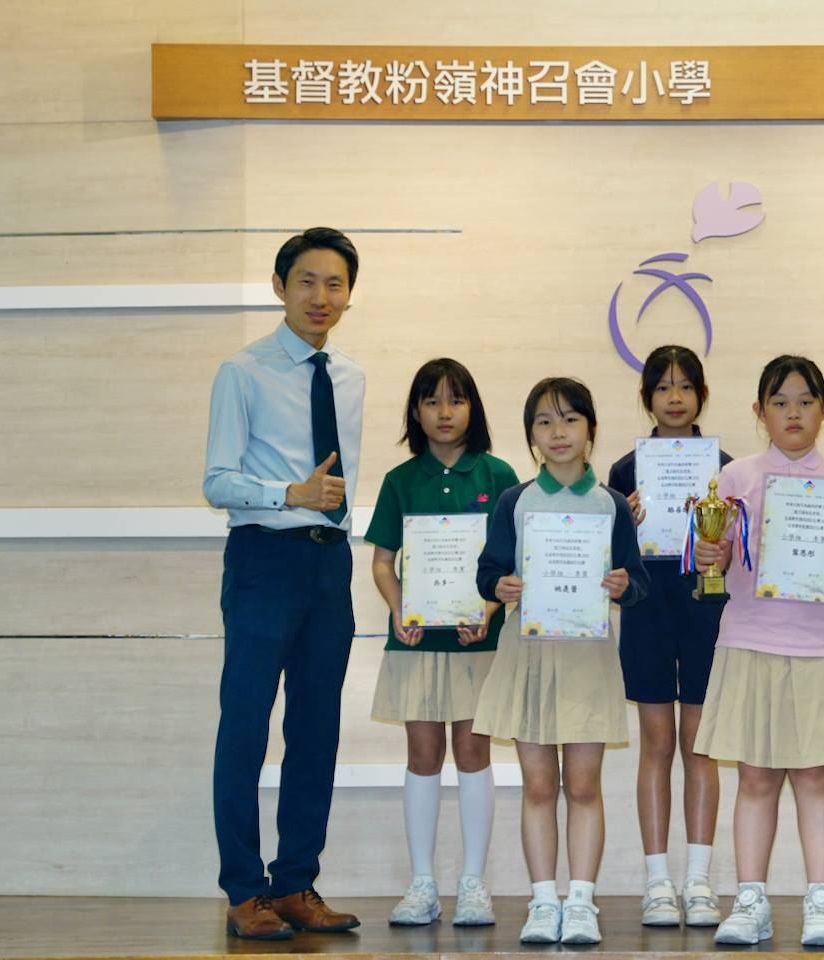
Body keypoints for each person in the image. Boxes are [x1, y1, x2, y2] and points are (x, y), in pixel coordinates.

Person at [203, 227, 364, 940]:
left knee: (316, 728)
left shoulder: (351, 377)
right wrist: (287, 494)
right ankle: (245, 891)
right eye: (306, 281)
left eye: (334, 283)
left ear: (349, 294)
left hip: (331, 563)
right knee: (245, 724)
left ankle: (296, 882)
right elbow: (217, 481)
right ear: (279, 287)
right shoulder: (243, 372)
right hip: (264, 559)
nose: (320, 296)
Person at [692, 355, 824, 948]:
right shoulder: (735, 478)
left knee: (816, 776)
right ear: (760, 411)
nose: (793, 413)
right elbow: (716, 561)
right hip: (751, 640)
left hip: (822, 647)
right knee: (754, 776)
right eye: (779, 402)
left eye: (805, 401)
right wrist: (713, 556)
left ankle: (821, 900)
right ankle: (751, 899)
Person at [472, 377, 649, 945]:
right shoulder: (514, 501)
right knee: (539, 785)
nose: (558, 432)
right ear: (531, 436)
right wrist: (499, 586)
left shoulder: (611, 503)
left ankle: (581, 902)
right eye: (544, 422)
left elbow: (638, 582)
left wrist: (623, 585)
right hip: (528, 654)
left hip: (588, 658)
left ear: (590, 429)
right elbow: (487, 571)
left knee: (584, 785)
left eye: (570, 419)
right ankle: (543, 900)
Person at [365, 358, 519, 927]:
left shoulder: (499, 476)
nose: (444, 412)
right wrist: (397, 606)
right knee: (423, 756)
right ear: (416, 412)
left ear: (473, 407)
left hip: (480, 642)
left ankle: (474, 883)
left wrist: (489, 609)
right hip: (416, 641)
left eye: (456, 400)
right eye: (431, 402)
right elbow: (383, 562)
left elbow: (512, 563)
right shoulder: (400, 480)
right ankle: (423, 884)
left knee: (474, 754)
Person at [606, 345, 731, 927]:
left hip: (706, 609)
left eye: (685, 387)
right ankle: (657, 882)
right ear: (647, 398)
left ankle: (699, 881)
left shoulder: (725, 468)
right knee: (656, 744)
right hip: (648, 610)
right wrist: (626, 525)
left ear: (702, 395)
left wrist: (720, 548)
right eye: (662, 387)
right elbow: (611, 561)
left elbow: (740, 555)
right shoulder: (622, 473)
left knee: (700, 744)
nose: (674, 398)